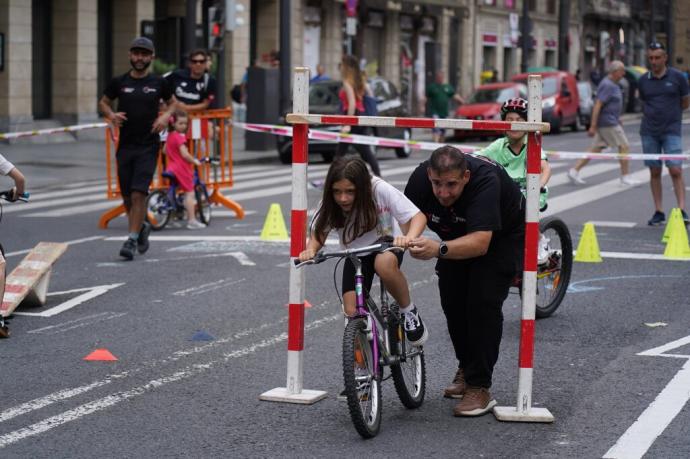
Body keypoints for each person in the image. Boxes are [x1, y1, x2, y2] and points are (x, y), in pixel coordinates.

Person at [404, 146, 525, 417]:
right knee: (452, 299)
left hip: (501, 234)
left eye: (451, 185)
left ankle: (480, 386)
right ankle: (467, 366)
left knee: (482, 301)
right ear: (429, 175)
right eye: (437, 184)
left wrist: (438, 249)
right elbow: (408, 220)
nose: (443, 193)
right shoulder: (419, 180)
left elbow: (481, 243)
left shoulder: (485, 182)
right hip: (455, 231)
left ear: (466, 177)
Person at [298, 157, 428, 346]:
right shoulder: (329, 204)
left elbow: (418, 217)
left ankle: (408, 310)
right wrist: (310, 250)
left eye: (350, 191)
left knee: (383, 264)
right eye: (337, 192)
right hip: (355, 253)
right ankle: (368, 364)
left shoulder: (379, 189)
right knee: (351, 312)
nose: (343, 198)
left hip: (386, 243)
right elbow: (319, 234)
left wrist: (409, 237)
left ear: (363, 187)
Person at [99, 37, 176, 260]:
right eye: (136, 54)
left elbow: (172, 103)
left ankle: (131, 240)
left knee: (138, 193)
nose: (140, 58)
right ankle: (141, 227)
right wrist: (111, 115)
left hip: (148, 146)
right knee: (126, 197)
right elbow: (103, 102)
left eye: (144, 54)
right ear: (131, 55)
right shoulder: (119, 81)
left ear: (151, 57)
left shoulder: (159, 82)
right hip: (125, 146)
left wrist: (165, 117)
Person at [476, 97, 552, 264]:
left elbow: (545, 169)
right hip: (506, 194)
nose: (514, 124)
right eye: (509, 120)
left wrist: (539, 185)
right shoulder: (498, 146)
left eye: (519, 120)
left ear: (527, 124)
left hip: (530, 191)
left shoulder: (532, 144)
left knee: (521, 211)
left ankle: (540, 241)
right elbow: (477, 158)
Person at [638, 41, 690, 225]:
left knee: (675, 169)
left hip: (671, 130)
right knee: (654, 171)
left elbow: (685, 102)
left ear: (665, 58)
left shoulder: (678, 77)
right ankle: (658, 211)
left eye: (657, 57)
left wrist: (671, 115)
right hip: (649, 131)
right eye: (651, 58)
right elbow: (644, 101)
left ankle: (682, 210)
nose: (654, 61)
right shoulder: (643, 80)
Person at [568, 61, 640, 187]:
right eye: (622, 71)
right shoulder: (608, 85)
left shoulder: (613, 84)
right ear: (615, 72)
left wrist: (617, 118)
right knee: (624, 146)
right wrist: (593, 125)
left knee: (596, 148)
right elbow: (598, 105)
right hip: (608, 123)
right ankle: (625, 176)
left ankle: (574, 171)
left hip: (610, 121)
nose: (624, 74)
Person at [335, 55, 381, 177]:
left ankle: (330, 179)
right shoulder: (359, 79)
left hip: (351, 116)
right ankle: (379, 176)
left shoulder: (347, 81)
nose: (340, 67)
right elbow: (370, 94)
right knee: (363, 152)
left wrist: (347, 123)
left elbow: (351, 103)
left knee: (342, 153)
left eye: (342, 64)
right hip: (360, 116)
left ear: (346, 66)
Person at [164, 110, 205, 230]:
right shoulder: (179, 137)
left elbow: (164, 150)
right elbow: (185, 155)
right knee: (189, 192)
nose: (183, 126)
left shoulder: (170, 136)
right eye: (180, 123)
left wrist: (173, 154)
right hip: (181, 168)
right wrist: (195, 161)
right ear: (173, 124)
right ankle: (191, 220)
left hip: (171, 167)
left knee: (172, 191)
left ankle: (170, 218)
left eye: (185, 123)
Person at [424, 70, 465, 143]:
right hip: (435, 112)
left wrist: (463, 102)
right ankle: (435, 146)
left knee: (443, 132)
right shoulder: (432, 87)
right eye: (439, 77)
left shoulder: (447, 87)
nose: (440, 78)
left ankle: (440, 146)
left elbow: (455, 96)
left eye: (441, 77)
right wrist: (422, 107)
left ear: (443, 77)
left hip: (444, 113)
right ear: (436, 78)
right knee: (436, 130)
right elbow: (425, 98)